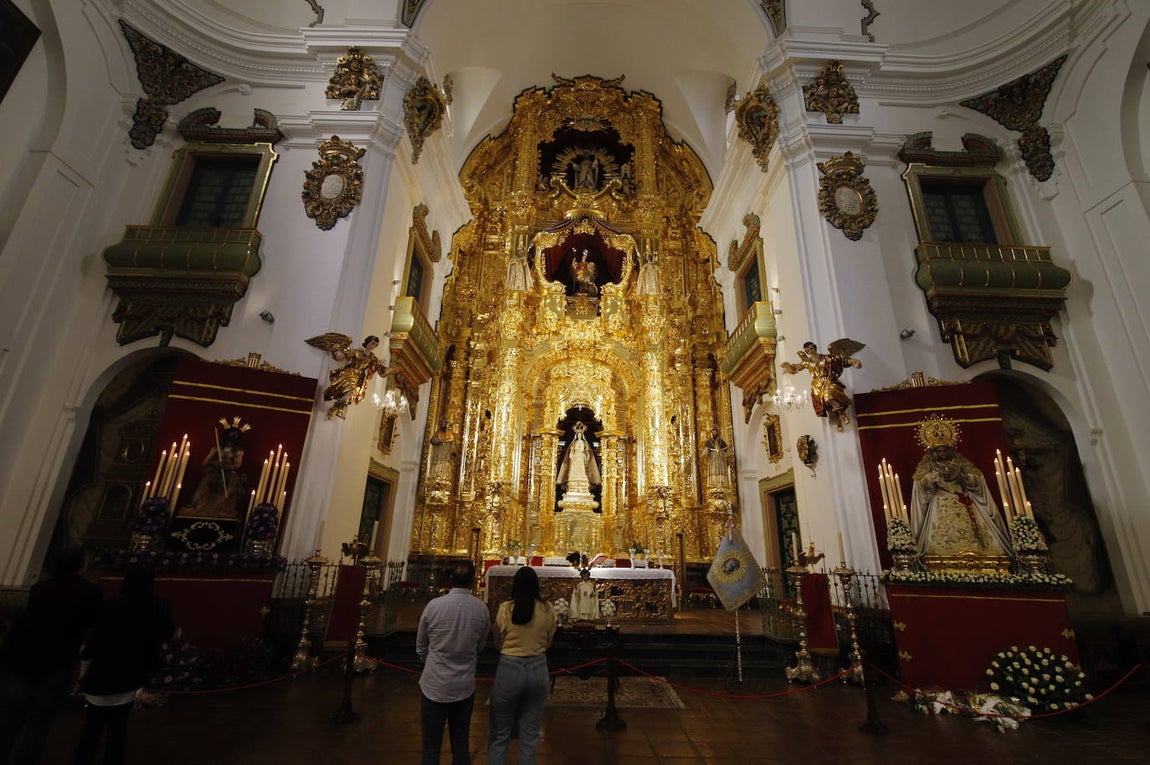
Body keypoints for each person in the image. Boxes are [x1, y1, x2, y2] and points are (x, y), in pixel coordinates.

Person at [0, 546, 102, 765]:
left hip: (27, 657)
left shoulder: (40, 588)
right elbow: (93, 623)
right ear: (82, 566)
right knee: (40, 721)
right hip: (59, 660)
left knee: (11, 718)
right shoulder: (90, 592)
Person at [74, 566, 177, 765]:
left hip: (101, 673)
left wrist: (84, 668)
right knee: (118, 729)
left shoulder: (110, 605)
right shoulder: (156, 606)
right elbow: (166, 633)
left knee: (91, 730)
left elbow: (94, 640)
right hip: (131, 674)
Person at [415, 560, 490, 765]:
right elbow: (481, 644)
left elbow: (421, 645)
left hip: (434, 684)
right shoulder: (481, 609)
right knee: (461, 742)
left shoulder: (434, 606)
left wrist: (432, 662)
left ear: (450, 579)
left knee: (430, 746)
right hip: (464, 684)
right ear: (474, 579)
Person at [488, 566, 556, 765]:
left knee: (500, 735)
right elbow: (549, 640)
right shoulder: (547, 609)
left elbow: (497, 640)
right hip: (538, 669)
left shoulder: (506, 608)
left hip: (509, 668)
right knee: (530, 736)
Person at [909, 444, 1013, 559]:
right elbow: (921, 481)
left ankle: (976, 549)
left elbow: (976, 478)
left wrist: (964, 476)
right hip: (942, 499)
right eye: (940, 451)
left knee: (973, 527)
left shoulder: (958, 462)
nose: (942, 453)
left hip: (962, 497)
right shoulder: (930, 465)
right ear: (935, 453)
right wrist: (934, 476)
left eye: (944, 450)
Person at [780, 339, 864, 430]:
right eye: (807, 350)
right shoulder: (807, 362)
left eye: (811, 348)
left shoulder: (827, 358)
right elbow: (794, 369)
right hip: (817, 386)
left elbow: (841, 361)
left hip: (829, 381)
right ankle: (838, 418)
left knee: (828, 396)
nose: (810, 351)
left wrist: (854, 361)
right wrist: (786, 365)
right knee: (826, 405)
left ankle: (842, 414)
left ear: (815, 348)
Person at [181, 426, 246, 519]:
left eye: (235, 436)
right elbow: (205, 462)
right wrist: (214, 463)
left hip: (229, 473)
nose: (231, 439)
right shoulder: (216, 449)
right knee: (205, 482)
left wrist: (225, 466)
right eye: (230, 435)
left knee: (232, 485)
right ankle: (196, 503)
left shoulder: (239, 452)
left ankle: (223, 507)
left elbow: (237, 465)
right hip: (214, 471)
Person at [321, 335, 390, 420]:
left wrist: (388, 369)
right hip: (350, 373)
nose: (373, 346)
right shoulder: (357, 352)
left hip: (359, 378)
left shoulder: (373, 358)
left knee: (350, 394)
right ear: (367, 342)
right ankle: (340, 409)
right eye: (372, 343)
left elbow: (380, 370)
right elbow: (342, 355)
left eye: (375, 345)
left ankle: (336, 408)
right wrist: (337, 352)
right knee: (351, 389)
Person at [556, 422, 601, 488]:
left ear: (582, 435)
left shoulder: (584, 443)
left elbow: (587, 451)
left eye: (580, 435)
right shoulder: (574, 443)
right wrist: (571, 455)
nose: (579, 436)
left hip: (581, 456)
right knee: (574, 468)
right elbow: (571, 451)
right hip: (576, 457)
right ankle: (572, 479)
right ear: (576, 435)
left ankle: (583, 479)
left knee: (582, 468)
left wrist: (586, 454)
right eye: (578, 435)